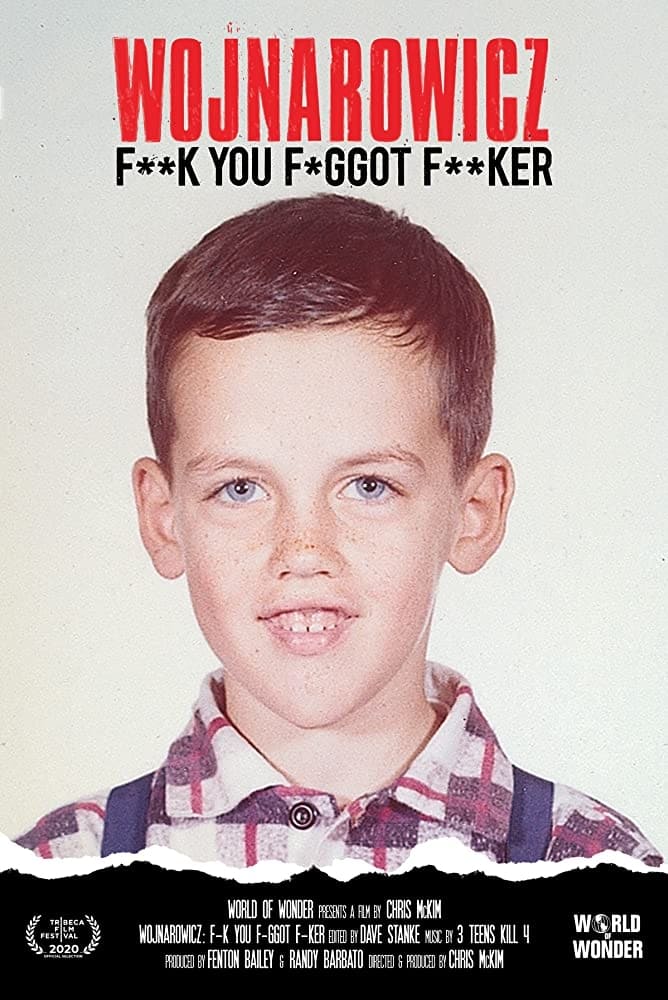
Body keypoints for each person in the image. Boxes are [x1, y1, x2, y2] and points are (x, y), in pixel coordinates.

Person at [13, 194, 662, 870]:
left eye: (369, 486)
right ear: (162, 517)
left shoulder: (591, 860)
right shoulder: (63, 863)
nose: (303, 552)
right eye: (241, 489)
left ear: (474, 510)